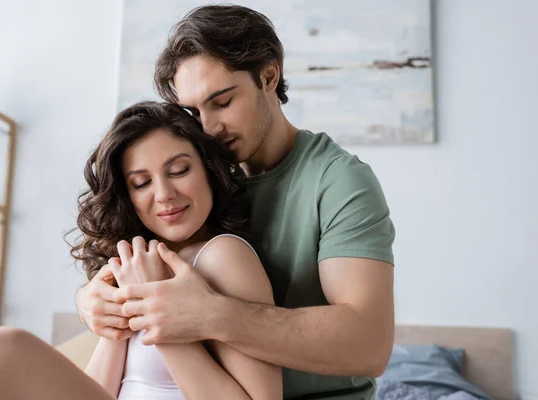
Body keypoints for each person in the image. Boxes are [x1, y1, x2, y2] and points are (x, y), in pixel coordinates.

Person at [76, 4, 396, 400]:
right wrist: (91, 299)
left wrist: (209, 314)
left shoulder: (338, 181)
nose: (207, 128)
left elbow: (369, 346)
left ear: (268, 76)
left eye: (223, 102)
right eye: (193, 111)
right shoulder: (204, 185)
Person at [0, 101, 282, 400]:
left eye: (179, 170)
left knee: (7, 349)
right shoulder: (139, 264)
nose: (163, 194)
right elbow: (100, 391)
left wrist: (155, 311)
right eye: (142, 183)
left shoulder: (224, 256)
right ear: (127, 197)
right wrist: (124, 300)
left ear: (208, 170)